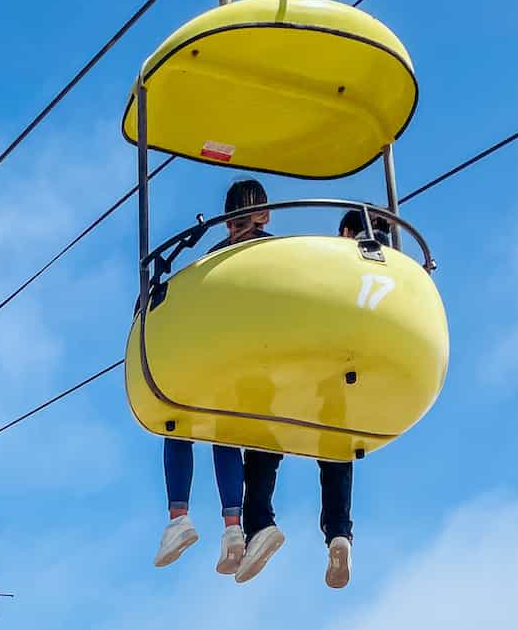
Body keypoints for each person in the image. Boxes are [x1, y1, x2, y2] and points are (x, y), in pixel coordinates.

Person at [234, 205, 387, 587]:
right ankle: (339, 532)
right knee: (335, 448)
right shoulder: (388, 277)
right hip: (345, 375)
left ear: (347, 233)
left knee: (262, 438)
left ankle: (259, 524)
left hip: (303, 361)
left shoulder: (335, 262)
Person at [153, 179, 271, 575]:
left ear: (226, 220)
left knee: (177, 421)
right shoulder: (277, 253)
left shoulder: (215, 259)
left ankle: (179, 517)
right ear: (265, 213)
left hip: (222, 357)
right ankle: (233, 529)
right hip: (259, 365)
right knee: (225, 434)